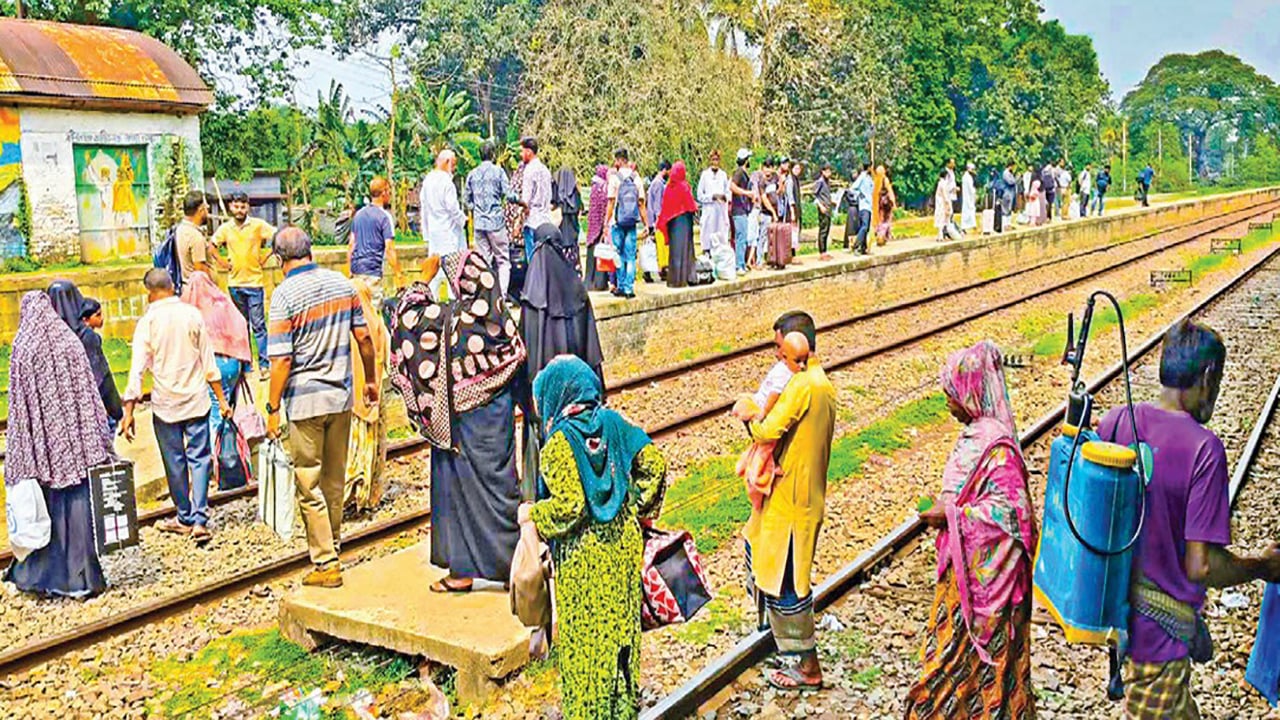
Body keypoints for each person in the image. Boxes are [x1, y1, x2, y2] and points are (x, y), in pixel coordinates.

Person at [1096, 321, 1280, 719]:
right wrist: (1263, 565)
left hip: (1120, 625)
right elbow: (1201, 565)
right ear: (1208, 377)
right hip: (1159, 639)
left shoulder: (1116, 421)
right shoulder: (1204, 449)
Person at [522, 355, 667, 720]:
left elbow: (569, 507)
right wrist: (635, 508)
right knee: (621, 632)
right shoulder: (615, 423)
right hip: (622, 545)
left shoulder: (558, 444)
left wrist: (533, 514)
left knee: (586, 643)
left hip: (584, 558)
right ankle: (622, 709)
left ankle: (589, 711)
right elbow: (655, 465)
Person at [904, 340, 1038, 719]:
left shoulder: (998, 446)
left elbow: (1016, 515)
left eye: (952, 392)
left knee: (966, 660)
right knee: (952, 657)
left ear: (970, 391)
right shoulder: (978, 435)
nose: (947, 401)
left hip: (992, 586)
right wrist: (951, 510)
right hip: (964, 571)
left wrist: (952, 516)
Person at [390, 250, 526, 592]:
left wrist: (423, 278)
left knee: (458, 495)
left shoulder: (450, 321)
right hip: (496, 424)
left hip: (460, 430)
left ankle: (462, 572)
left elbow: (408, 318)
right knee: (501, 490)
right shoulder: (500, 321)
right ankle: (517, 564)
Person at [266, 228, 377, 588]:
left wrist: (271, 407)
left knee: (308, 483)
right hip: (340, 398)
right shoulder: (343, 285)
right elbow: (364, 338)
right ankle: (335, 545)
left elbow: (281, 361)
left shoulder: (283, 296)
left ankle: (326, 562)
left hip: (303, 402)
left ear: (281, 260)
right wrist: (371, 380)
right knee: (333, 479)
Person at [737, 311, 836, 692]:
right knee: (771, 566)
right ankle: (783, 643)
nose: (778, 358)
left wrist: (748, 414)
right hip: (802, 497)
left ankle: (807, 666)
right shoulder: (822, 383)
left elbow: (766, 428)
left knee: (787, 583)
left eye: (781, 350)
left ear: (800, 349)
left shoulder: (801, 387)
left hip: (790, 502)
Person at [3, 292, 116, 598]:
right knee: (78, 509)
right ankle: (82, 579)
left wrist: (21, 450)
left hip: (43, 450)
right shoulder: (71, 344)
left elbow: (19, 406)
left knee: (43, 511)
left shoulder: (23, 348)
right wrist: (101, 442)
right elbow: (91, 397)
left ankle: (39, 576)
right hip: (77, 449)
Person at [121, 268, 230, 544]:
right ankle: (200, 519)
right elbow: (209, 363)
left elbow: (136, 371)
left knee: (175, 461)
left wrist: (129, 410)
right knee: (200, 458)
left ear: (150, 292)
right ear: (172, 287)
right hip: (196, 401)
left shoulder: (147, 323)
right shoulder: (192, 315)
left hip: (166, 405)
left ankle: (184, 515)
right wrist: (222, 399)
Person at [519, 223, 606, 496]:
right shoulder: (578, 291)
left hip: (542, 400)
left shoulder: (530, 300)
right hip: (578, 399)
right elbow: (592, 350)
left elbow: (523, 355)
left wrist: (525, 400)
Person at [736, 331, 808, 510]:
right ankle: (762, 475)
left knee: (761, 448)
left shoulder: (783, 369)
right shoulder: (785, 374)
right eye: (798, 361)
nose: (803, 366)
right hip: (760, 408)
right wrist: (763, 414)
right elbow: (774, 396)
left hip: (755, 403)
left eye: (805, 361)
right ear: (785, 358)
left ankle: (757, 470)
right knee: (765, 447)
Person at [212, 191, 275, 378]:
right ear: (231, 207)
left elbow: (277, 236)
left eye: (242, 206)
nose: (239, 210)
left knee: (258, 326)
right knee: (241, 325)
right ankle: (247, 365)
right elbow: (212, 245)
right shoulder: (225, 228)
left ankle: (264, 364)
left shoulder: (257, 225)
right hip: (235, 284)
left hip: (254, 283)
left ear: (248, 207)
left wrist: (266, 255)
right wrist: (222, 262)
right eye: (236, 207)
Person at [182, 271, 252, 439]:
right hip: (234, 363)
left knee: (216, 412)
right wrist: (246, 365)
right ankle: (231, 450)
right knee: (228, 408)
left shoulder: (189, 309)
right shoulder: (222, 302)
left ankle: (218, 458)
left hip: (213, 365)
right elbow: (241, 324)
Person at [47, 280, 122, 435]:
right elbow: (101, 375)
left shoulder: (45, 339)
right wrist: (115, 409)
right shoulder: (85, 337)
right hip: (92, 410)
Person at [345, 275, 389, 513]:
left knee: (352, 446)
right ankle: (367, 496)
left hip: (351, 395)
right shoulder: (375, 320)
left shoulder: (347, 323)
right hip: (373, 391)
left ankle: (348, 493)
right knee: (370, 446)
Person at [464, 142, 513, 296]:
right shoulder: (498, 172)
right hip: (496, 223)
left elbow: (466, 200)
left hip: (479, 224)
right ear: (493, 154)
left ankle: (485, 296)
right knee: (503, 260)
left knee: (483, 261)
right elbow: (509, 194)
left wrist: (476, 209)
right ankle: (502, 297)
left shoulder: (472, 174)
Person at [349, 177, 402, 308]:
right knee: (373, 312)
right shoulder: (384, 217)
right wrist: (398, 274)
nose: (389, 195)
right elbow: (389, 249)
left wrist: (349, 271)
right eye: (389, 191)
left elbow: (351, 245)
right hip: (372, 272)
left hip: (356, 271)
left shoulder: (358, 215)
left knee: (358, 312)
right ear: (384, 193)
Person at [605, 148, 646, 299]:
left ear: (618, 160)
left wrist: (606, 222)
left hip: (617, 222)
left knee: (619, 254)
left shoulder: (614, 179)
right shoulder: (636, 178)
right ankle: (629, 288)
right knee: (630, 256)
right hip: (632, 222)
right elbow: (641, 203)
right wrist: (646, 223)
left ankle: (621, 286)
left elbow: (610, 202)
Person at [657, 161, 699, 289]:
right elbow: (690, 205)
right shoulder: (684, 186)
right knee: (686, 249)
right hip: (684, 221)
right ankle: (687, 277)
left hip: (672, 224)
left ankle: (674, 280)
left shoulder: (669, 188)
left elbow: (665, 207)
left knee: (675, 251)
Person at [421, 150, 467, 258]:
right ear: (447, 162)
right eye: (453, 164)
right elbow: (452, 208)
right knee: (451, 264)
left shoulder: (428, 179)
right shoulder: (446, 182)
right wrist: (463, 220)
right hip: (448, 232)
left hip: (434, 231)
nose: (454, 168)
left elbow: (424, 208)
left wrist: (426, 232)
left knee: (435, 264)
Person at [176, 191, 229, 283]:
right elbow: (200, 270)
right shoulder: (195, 237)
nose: (208, 209)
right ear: (201, 210)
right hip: (200, 290)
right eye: (206, 207)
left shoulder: (180, 230)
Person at [520, 137, 554, 263]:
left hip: (532, 220)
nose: (521, 155)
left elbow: (526, 200)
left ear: (529, 152)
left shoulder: (529, 170)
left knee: (533, 260)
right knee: (544, 260)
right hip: (545, 220)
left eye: (522, 151)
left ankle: (535, 282)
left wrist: (520, 217)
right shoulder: (545, 170)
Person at [698, 150, 732, 255]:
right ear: (710, 161)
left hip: (721, 211)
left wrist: (725, 197)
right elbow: (699, 195)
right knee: (707, 235)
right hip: (709, 211)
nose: (715, 162)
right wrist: (711, 197)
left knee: (721, 237)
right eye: (713, 159)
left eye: (717, 160)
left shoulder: (723, 175)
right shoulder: (705, 175)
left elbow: (728, 192)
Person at [584, 165, 612, 292]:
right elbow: (604, 209)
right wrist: (605, 225)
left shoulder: (594, 188)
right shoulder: (603, 189)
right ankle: (599, 283)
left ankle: (589, 282)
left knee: (591, 256)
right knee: (600, 254)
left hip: (592, 227)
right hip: (599, 226)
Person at [506, 158, 530, 299]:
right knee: (521, 256)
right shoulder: (523, 181)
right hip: (517, 222)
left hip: (511, 223)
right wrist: (517, 223)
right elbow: (521, 204)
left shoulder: (514, 180)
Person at [552, 164, 583, 273]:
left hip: (560, 228)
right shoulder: (575, 192)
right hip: (572, 228)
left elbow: (552, 204)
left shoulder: (556, 189)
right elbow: (580, 208)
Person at [730, 149, 755, 272]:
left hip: (743, 210)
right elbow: (732, 186)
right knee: (741, 237)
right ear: (746, 160)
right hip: (738, 210)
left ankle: (742, 264)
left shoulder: (744, 174)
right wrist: (747, 193)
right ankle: (739, 265)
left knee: (743, 237)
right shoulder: (739, 173)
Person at [647, 161, 671, 279]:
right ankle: (662, 269)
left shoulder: (656, 183)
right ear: (665, 170)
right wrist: (659, 220)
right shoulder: (658, 184)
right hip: (658, 221)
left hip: (655, 220)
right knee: (661, 245)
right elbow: (657, 205)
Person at [851, 163, 874, 254]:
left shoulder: (869, 178)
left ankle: (863, 248)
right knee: (864, 227)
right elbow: (853, 188)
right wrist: (860, 195)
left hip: (869, 206)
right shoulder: (862, 177)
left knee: (866, 228)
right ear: (868, 168)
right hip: (864, 206)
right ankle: (856, 246)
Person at [813, 164, 834, 260]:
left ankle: (825, 251)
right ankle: (822, 252)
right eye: (827, 171)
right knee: (823, 230)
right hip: (823, 209)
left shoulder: (827, 182)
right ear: (823, 172)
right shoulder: (820, 182)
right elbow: (815, 196)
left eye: (830, 171)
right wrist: (820, 205)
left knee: (827, 229)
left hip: (828, 208)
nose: (829, 173)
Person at [874, 165, 896, 246]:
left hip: (880, 203)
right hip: (886, 203)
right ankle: (881, 236)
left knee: (881, 219)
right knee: (887, 219)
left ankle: (883, 236)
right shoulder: (885, 180)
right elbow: (889, 191)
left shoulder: (875, 180)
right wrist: (893, 201)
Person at [934, 169, 953, 241]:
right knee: (944, 218)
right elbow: (945, 195)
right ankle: (943, 235)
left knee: (941, 218)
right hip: (943, 203)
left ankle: (941, 235)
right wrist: (947, 204)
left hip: (940, 203)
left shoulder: (940, 183)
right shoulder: (943, 184)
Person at [960, 163, 978, 234]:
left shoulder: (966, 177)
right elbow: (971, 189)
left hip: (968, 197)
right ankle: (968, 226)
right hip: (969, 197)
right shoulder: (967, 177)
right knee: (969, 210)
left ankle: (970, 226)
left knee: (969, 211)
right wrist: (974, 194)